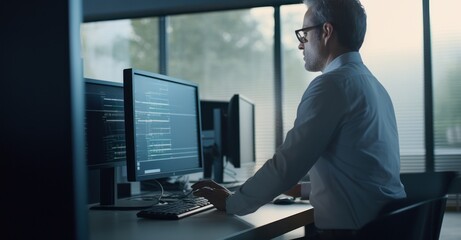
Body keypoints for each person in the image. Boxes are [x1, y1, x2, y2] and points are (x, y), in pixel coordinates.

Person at [192, 0, 406, 239]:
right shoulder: (372, 85)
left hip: (354, 233)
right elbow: (363, 171)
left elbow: (286, 165)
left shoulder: (331, 85)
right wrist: (301, 189)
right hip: (385, 226)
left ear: (326, 31)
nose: (300, 44)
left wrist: (232, 202)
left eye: (304, 34)